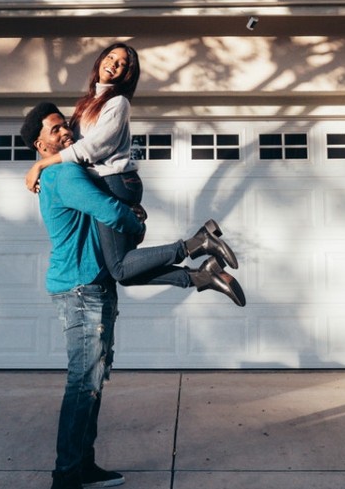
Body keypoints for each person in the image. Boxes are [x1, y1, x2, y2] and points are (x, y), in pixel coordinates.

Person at [21, 102, 242, 489]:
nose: (65, 133)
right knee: (82, 385)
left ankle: (83, 465)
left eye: (65, 126)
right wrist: (134, 220)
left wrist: (126, 215)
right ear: (40, 143)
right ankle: (64, 483)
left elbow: (110, 225)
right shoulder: (64, 172)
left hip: (95, 284)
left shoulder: (70, 171)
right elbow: (110, 213)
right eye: (55, 130)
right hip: (80, 289)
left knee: (95, 380)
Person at [25, 43, 244, 303]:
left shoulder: (117, 103)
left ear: (127, 75)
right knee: (125, 271)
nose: (114, 64)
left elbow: (95, 147)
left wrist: (40, 165)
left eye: (123, 64)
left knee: (120, 267)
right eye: (110, 57)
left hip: (115, 181)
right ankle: (202, 276)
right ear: (100, 61)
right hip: (107, 182)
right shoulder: (88, 103)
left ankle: (197, 244)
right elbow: (76, 149)